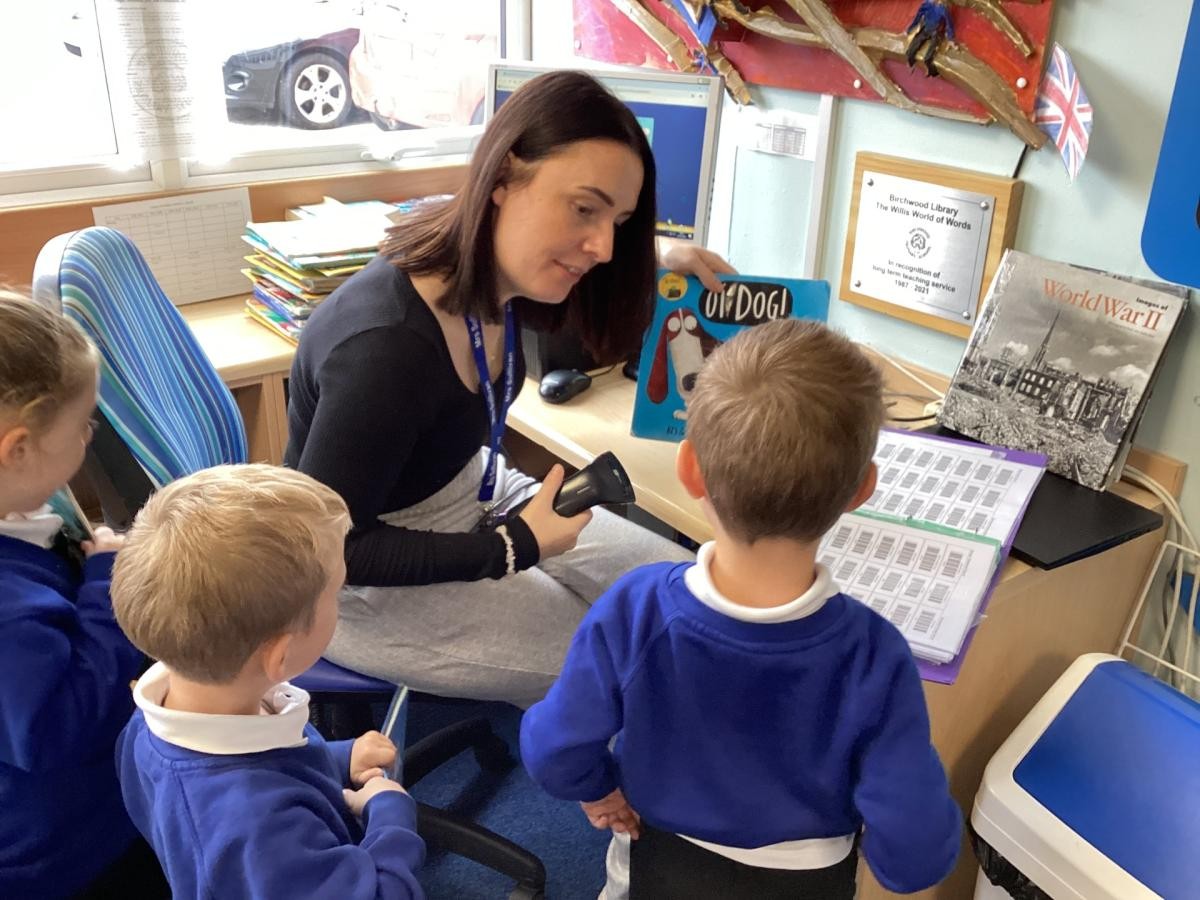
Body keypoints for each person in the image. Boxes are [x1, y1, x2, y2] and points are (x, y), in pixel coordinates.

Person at [285, 69, 734, 708]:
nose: (604, 247)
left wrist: (658, 254)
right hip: (358, 584)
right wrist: (512, 548)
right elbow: (329, 551)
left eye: (619, 220)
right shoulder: (384, 352)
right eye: (585, 209)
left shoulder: (488, 265)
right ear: (503, 178)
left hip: (475, 491)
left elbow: (596, 252)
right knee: (625, 662)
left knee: (689, 598)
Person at [520, 319, 962, 899]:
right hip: (808, 882)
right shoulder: (875, 654)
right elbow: (915, 851)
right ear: (862, 489)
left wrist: (597, 788)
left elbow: (555, 746)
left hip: (657, 857)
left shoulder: (637, 608)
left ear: (689, 469)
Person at [112, 464, 425, 899]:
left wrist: (336, 758)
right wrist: (391, 815)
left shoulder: (158, 716)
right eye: (336, 592)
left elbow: (272, 760)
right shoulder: (259, 828)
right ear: (281, 656)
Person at [0, 290, 167, 899]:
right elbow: (56, 729)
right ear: (17, 449)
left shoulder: (20, 513)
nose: (89, 437)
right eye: (82, 426)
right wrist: (104, 589)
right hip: (68, 852)